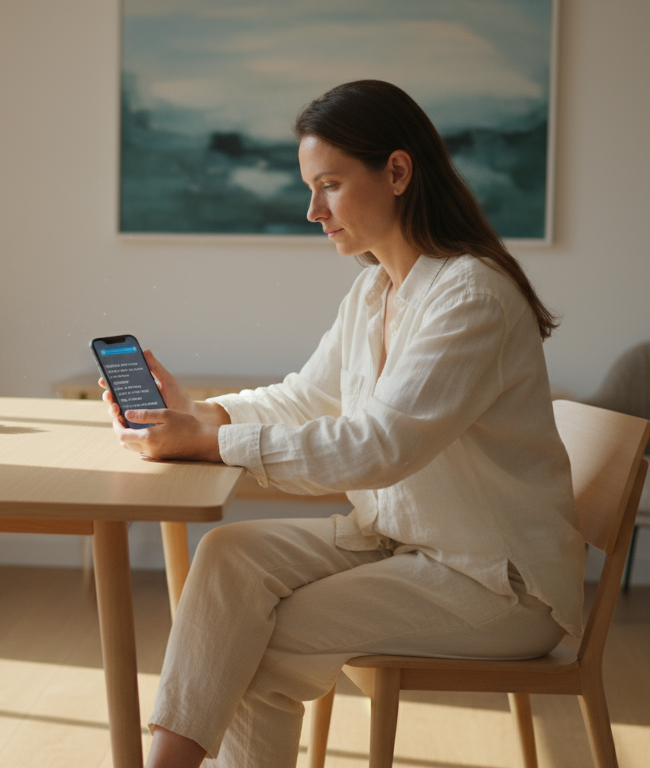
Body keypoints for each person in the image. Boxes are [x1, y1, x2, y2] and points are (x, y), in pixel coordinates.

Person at [99, 80, 585, 768]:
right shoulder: (375, 289)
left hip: (495, 585)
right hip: (399, 543)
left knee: (261, 641)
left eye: (328, 184)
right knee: (229, 557)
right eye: (310, 187)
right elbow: (307, 397)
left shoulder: (471, 297)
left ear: (396, 172)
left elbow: (380, 448)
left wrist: (210, 444)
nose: (312, 210)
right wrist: (200, 414)